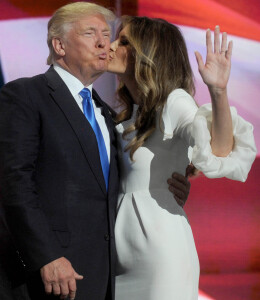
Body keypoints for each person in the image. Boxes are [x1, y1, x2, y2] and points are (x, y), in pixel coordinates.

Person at [0, 3, 191, 300]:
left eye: (105, 34)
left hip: (94, 277)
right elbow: (13, 185)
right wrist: (46, 257)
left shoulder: (108, 115)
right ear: (59, 45)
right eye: (90, 33)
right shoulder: (24, 95)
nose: (104, 43)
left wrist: (165, 185)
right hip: (31, 278)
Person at [107, 16, 256, 299]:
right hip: (116, 260)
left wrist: (218, 91)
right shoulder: (126, 115)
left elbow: (218, 150)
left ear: (147, 53)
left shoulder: (174, 102)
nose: (112, 46)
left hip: (160, 256)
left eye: (124, 41)